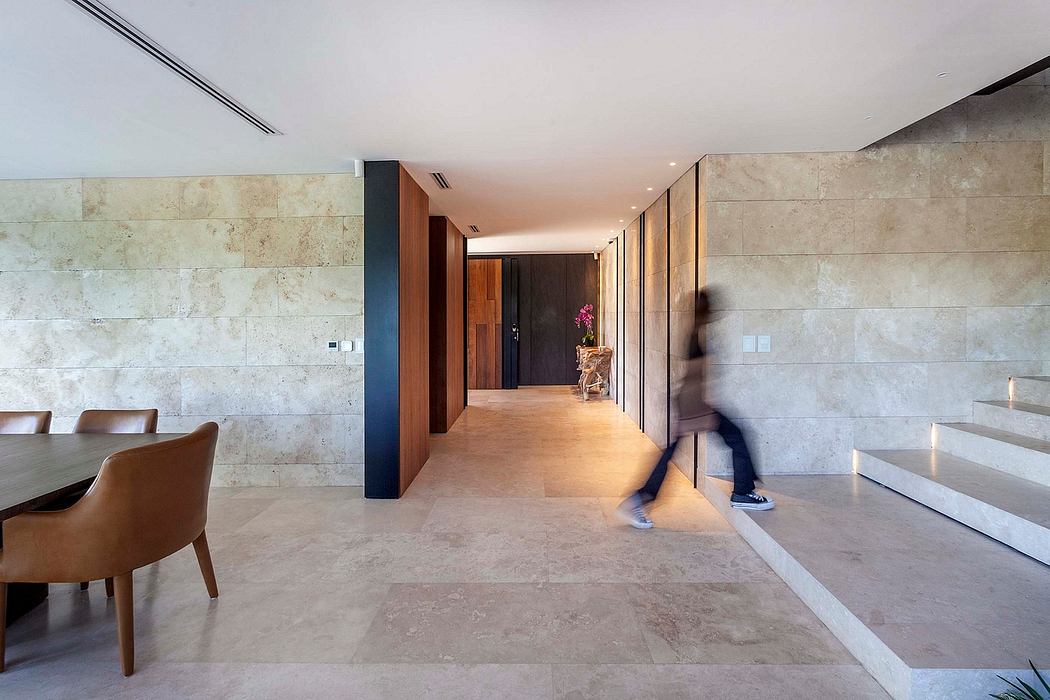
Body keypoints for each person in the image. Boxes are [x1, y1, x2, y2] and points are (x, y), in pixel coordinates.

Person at [618, 287, 774, 529]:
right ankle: (743, 492)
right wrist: (701, 409)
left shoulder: (695, 331)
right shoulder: (696, 334)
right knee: (736, 435)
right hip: (694, 404)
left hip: (692, 402)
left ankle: (639, 499)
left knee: (678, 449)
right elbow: (693, 375)